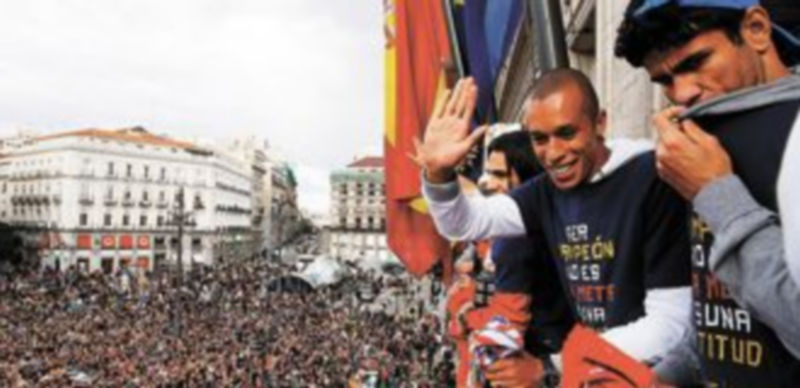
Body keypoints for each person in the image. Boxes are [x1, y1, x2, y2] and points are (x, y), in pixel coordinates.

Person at [414, 69, 692, 383]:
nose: (555, 153)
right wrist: (438, 174)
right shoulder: (545, 192)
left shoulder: (651, 177)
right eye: (540, 139)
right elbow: (464, 223)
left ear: (599, 123)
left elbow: (670, 324)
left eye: (567, 133)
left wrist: (549, 366)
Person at [615, 0, 800, 385]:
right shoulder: (705, 141)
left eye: (696, 63)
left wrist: (718, 194)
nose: (682, 94)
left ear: (756, 29)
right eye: (664, 81)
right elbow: (725, 316)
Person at [446, 129, 576, 387]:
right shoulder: (549, 220)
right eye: (486, 172)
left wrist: (464, 316)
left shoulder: (515, 236)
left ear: (524, 175)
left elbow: (507, 325)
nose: (486, 182)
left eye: (498, 174)